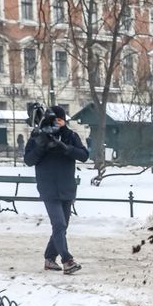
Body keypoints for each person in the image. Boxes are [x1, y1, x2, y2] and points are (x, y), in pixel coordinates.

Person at [24, 104, 89, 274]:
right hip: (48, 188)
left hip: (66, 187)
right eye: (54, 120)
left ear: (64, 120)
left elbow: (84, 155)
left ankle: (49, 258)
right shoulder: (38, 135)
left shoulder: (70, 136)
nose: (57, 123)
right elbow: (29, 160)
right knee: (59, 224)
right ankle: (67, 261)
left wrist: (66, 148)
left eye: (60, 120)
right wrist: (41, 146)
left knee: (62, 226)